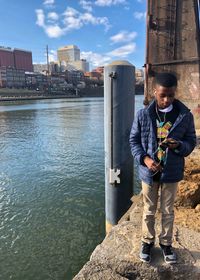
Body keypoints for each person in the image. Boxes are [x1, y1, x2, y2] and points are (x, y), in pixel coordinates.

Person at [129, 72, 196, 264]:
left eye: (171, 95)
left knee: (168, 210)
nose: (166, 99)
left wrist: (179, 146)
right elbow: (133, 140)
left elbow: (191, 141)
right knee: (149, 209)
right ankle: (147, 242)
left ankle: (166, 244)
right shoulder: (143, 114)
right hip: (149, 172)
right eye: (162, 95)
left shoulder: (184, 116)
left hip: (172, 172)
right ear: (154, 92)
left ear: (175, 93)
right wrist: (145, 159)